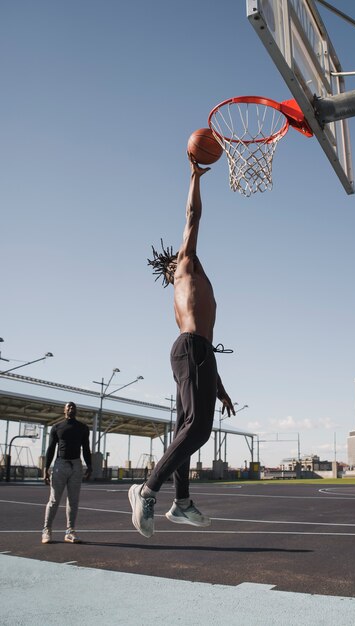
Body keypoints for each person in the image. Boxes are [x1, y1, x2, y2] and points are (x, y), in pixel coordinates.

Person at [128, 154, 235, 538]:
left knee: (185, 430)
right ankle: (146, 490)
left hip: (196, 352)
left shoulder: (199, 286)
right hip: (190, 349)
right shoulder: (185, 266)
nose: (185, 250)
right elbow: (193, 216)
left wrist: (219, 387)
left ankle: (182, 502)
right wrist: (194, 178)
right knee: (199, 430)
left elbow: (202, 343)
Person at [41, 401, 92, 544]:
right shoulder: (57, 427)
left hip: (76, 465)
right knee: (54, 500)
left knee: (73, 501)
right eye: (68, 407)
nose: (71, 408)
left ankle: (70, 531)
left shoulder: (83, 428)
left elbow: (86, 449)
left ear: (76, 410)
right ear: (64, 410)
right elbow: (51, 448)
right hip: (60, 465)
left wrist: (89, 466)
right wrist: (46, 469)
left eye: (73, 407)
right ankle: (47, 531)